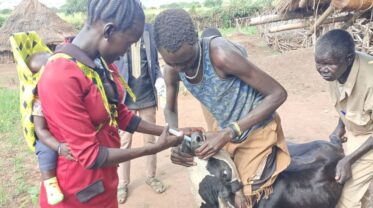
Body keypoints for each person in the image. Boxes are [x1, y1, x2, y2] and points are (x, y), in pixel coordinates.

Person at [37, 1, 197, 207]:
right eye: (129, 43)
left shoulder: (100, 64)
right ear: (109, 31)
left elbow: (122, 116)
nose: (126, 52)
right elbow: (90, 156)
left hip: (103, 185)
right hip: (77, 194)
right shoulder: (60, 76)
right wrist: (152, 149)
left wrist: (172, 133)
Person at [153, 9, 291, 207]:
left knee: (246, 196)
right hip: (225, 132)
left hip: (257, 129)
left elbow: (278, 93)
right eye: (172, 63)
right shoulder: (172, 70)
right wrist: (175, 138)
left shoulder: (220, 55)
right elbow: (171, 109)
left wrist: (229, 132)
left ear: (195, 38)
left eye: (187, 61)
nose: (181, 69)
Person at [315, 29, 373, 208]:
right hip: (359, 132)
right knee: (363, 193)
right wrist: (340, 125)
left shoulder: (370, 79)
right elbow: (346, 104)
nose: (323, 69)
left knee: (344, 197)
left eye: (329, 64)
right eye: (318, 63)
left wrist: (349, 159)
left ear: (348, 59)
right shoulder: (337, 71)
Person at [114, 23, 167, 204]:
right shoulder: (118, 30)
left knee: (150, 139)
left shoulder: (149, 30)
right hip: (125, 99)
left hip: (147, 95)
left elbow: (154, 62)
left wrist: (159, 78)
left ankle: (151, 176)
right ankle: (122, 183)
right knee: (124, 142)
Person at [27, 52, 74, 205]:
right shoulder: (39, 99)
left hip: (62, 131)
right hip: (48, 137)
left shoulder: (65, 87)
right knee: (45, 153)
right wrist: (59, 147)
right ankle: (50, 183)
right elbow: (41, 130)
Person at [199, 27, 247, 131]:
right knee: (213, 128)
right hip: (209, 96)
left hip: (232, 91)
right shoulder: (199, 58)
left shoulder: (231, 52)